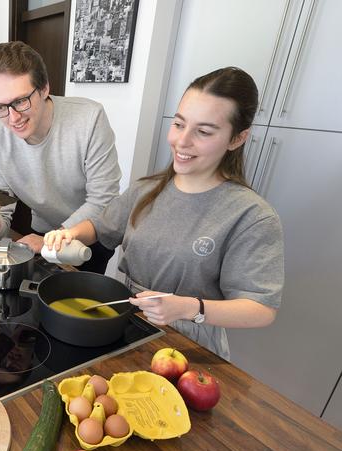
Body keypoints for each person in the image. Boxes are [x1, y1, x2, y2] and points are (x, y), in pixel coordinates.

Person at [44, 67, 284, 360]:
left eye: (204, 132)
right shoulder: (147, 190)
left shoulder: (251, 216)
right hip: (124, 324)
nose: (182, 141)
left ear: (237, 138)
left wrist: (188, 308)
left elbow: (261, 309)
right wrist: (70, 233)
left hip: (187, 345)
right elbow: (101, 226)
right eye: (179, 124)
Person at [0, 41, 122, 273]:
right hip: (44, 233)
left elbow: (104, 200)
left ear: (44, 89)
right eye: (0, 107)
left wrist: (54, 238)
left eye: (20, 101)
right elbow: (0, 230)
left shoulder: (89, 118)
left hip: (91, 233)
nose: (13, 118)